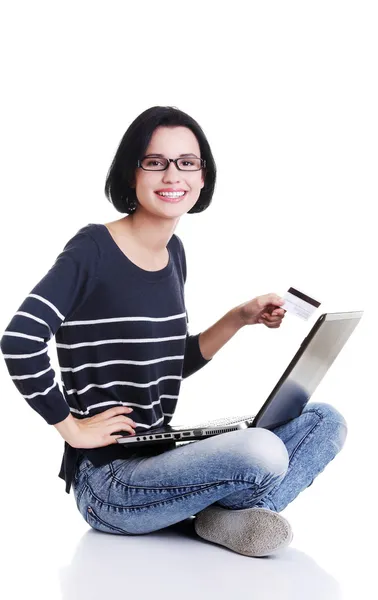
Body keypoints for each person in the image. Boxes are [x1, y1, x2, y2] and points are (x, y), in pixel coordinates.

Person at [0, 106, 347, 557]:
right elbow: (20, 339)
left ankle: (216, 518)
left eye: (187, 162)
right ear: (131, 173)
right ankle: (221, 515)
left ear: (203, 177)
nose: (172, 175)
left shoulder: (173, 253)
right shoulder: (93, 250)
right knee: (259, 452)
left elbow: (166, 366)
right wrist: (71, 428)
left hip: (159, 455)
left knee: (325, 421)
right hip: (111, 483)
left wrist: (239, 317)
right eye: (155, 161)